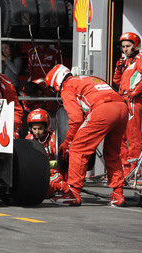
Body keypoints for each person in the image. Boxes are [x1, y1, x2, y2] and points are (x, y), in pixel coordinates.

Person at [46, 64, 128, 207]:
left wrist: (67, 142)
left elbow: (76, 119)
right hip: (122, 108)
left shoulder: (67, 87)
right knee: (112, 153)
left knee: (77, 149)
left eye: (53, 89)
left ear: (56, 82)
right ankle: (118, 193)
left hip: (103, 109)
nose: (56, 92)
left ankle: (73, 193)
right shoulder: (89, 79)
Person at [113, 32, 142, 176]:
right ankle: (124, 167)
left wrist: (135, 91)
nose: (125, 49)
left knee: (133, 136)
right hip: (123, 100)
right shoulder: (126, 62)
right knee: (120, 135)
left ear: (135, 46)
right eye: (123, 47)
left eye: (128, 46)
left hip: (134, 102)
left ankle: (135, 169)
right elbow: (117, 82)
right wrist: (118, 69)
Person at [25, 109, 67, 197]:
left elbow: (62, 161)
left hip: (55, 173)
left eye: (40, 128)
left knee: (46, 187)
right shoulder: (28, 139)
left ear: (46, 127)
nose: (37, 132)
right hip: (37, 172)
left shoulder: (54, 138)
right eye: (34, 129)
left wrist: (47, 164)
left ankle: (61, 186)